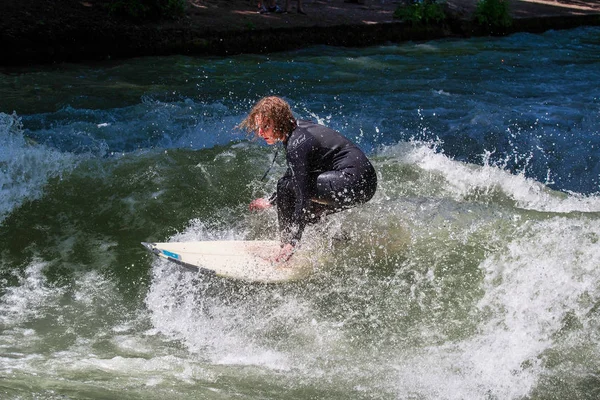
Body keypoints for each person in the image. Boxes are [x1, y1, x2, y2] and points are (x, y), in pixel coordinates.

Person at [239, 96, 377, 262]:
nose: (261, 133)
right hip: (365, 184)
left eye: (266, 126)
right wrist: (271, 200)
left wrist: (293, 240)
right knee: (308, 212)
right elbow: (297, 173)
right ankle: (340, 241)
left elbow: (301, 192)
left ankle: (286, 247)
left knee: (285, 187)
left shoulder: (297, 144)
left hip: (353, 181)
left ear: (279, 121)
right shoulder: (297, 130)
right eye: (258, 127)